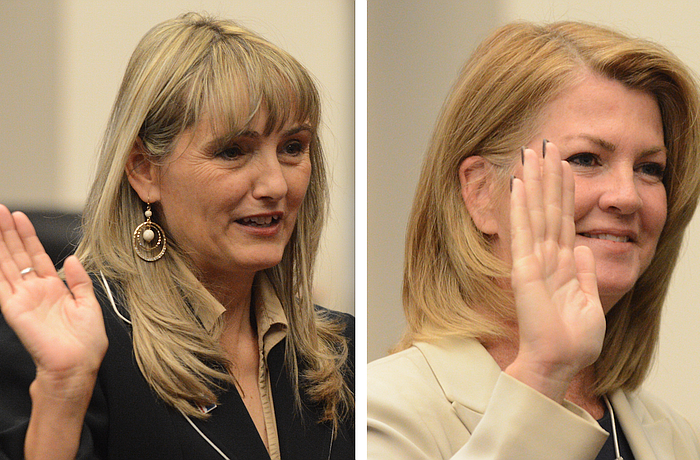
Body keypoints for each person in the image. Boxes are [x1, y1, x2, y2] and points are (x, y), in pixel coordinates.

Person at [0, 12, 353, 460]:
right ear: (145, 171)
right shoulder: (70, 339)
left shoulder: (340, 350)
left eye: (292, 148)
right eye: (233, 151)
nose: (276, 185)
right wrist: (64, 391)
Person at [368, 21, 700, 459]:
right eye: (586, 159)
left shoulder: (676, 438)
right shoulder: (380, 413)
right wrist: (543, 374)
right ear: (480, 192)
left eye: (650, 169)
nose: (627, 196)